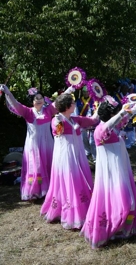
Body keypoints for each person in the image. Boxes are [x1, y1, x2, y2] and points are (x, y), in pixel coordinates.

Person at [81, 96, 136, 248]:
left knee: (127, 201)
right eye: (115, 113)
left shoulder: (112, 128)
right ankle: (115, 227)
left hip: (120, 170)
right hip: (112, 174)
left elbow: (120, 121)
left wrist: (132, 109)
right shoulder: (101, 130)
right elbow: (110, 125)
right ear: (110, 115)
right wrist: (122, 112)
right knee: (125, 202)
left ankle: (125, 229)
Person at [0, 84, 73, 200]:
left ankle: (50, 190)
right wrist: (7, 92)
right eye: (36, 98)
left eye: (41, 98)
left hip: (48, 144)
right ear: (32, 101)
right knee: (35, 167)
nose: (39, 100)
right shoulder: (27, 112)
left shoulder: (49, 110)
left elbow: (59, 100)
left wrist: (69, 89)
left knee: (49, 165)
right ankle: (35, 192)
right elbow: (15, 103)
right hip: (33, 146)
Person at [40, 93, 99, 229]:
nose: (74, 104)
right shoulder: (56, 120)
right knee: (70, 182)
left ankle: (83, 207)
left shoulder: (74, 119)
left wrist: (98, 107)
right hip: (65, 157)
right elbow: (58, 131)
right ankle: (72, 214)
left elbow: (92, 120)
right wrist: (61, 120)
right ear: (67, 106)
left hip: (77, 155)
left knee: (79, 180)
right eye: (72, 103)